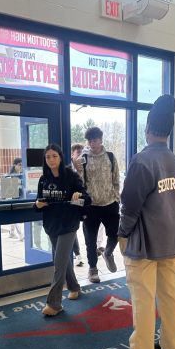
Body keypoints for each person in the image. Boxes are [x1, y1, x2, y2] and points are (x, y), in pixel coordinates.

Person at [117, 94, 175, 349]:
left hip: (144, 245)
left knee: (144, 302)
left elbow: (130, 204)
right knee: (171, 296)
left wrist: (121, 235)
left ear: (147, 128)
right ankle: (172, 347)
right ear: (169, 130)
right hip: (170, 241)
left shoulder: (142, 161)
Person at [35, 144, 91, 316]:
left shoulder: (72, 177)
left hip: (69, 224)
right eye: (48, 157)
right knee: (63, 261)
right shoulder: (43, 179)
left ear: (60, 157)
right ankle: (74, 286)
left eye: (54, 156)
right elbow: (39, 202)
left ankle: (54, 304)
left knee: (59, 263)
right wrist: (37, 205)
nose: (51, 160)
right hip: (51, 225)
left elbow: (87, 199)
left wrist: (79, 196)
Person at [72, 127, 120, 283]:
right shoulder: (83, 158)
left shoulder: (110, 157)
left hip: (110, 204)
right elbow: (78, 180)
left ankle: (107, 253)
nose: (93, 143)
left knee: (115, 234)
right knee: (90, 240)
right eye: (90, 140)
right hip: (91, 207)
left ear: (101, 139)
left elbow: (116, 179)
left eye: (96, 140)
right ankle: (92, 270)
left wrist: (117, 197)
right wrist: (76, 164)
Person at [70, 143, 85, 266]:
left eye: (82, 152)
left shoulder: (86, 166)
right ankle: (77, 255)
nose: (80, 155)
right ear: (72, 154)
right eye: (78, 152)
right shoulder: (68, 170)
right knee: (72, 229)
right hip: (72, 204)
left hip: (83, 202)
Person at [8, 157, 24, 240]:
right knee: (15, 216)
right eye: (19, 165)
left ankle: (11, 232)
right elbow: (10, 191)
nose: (21, 166)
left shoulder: (21, 174)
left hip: (19, 197)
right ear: (14, 165)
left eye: (22, 165)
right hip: (14, 197)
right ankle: (21, 235)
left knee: (14, 217)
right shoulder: (11, 176)